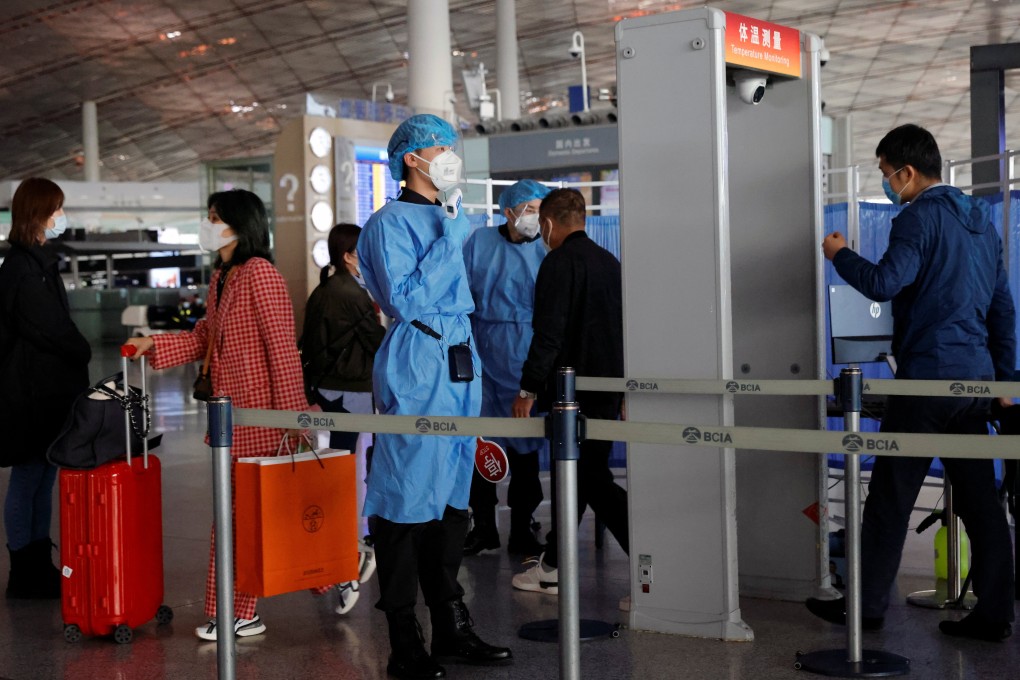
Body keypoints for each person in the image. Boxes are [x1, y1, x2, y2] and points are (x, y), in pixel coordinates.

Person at [808, 123, 1016, 641]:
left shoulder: (917, 218)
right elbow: (1002, 309)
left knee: (890, 497)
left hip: (926, 380)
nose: (885, 184)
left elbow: (884, 283)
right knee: (980, 502)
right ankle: (994, 613)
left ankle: (866, 608)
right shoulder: (980, 222)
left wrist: (839, 255)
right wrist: (1006, 382)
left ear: (906, 171)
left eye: (884, 173)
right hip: (974, 384)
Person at [357, 113, 512, 680]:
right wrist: (449, 237)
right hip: (419, 359)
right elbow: (406, 300)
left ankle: (451, 624)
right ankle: (404, 638)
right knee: (404, 496)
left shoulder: (454, 215)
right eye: (440, 148)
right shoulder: (388, 223)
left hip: (460, 357)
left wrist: (453, 227)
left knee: (452, 493)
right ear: (412, 159)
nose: (450, 157)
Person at [126, 189, 310, 641]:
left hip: (260, 418)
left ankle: (239, 610)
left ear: (238, 224)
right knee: (246, 519)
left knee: (248, 519)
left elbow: (282, 349)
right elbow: (207, 337)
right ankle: (250, 605)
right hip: (230, 418)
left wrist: (294, 421)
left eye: (214, 217)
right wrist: (157, 345)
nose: (207, 224)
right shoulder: (223, 277)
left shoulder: (261, 274)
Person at [510, 187, 628, 594]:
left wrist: (527, 389)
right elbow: (622, 332)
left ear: (547, 223)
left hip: (571, 393)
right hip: (609, 387)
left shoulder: (558, 264)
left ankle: (649, 554)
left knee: (589, 475)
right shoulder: (609, 262)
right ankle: (557, 562)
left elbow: (549, 334)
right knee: (575, 474)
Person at [0, 178, 90, 599]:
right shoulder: (22, 267)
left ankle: (37, 563)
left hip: (46, 394)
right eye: (55, 209)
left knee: (42, 476)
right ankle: (24, 569)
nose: (60, 217)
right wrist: (82, 348)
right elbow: (49, 329)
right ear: (38, 213)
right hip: (29, 396)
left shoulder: (37, 263)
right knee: (29, 476)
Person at [460, 179, 549, 557]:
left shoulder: (545, 248)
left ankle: (522, 528)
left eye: (540, 209)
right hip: (483, 351)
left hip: (527, 352)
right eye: (529, 208)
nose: (535, 217)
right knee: (483, 443)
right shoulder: (479, 243)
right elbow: (461, 294)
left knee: (525, 449)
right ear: (508, 210)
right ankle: (483, 526)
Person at [301, 222, 385, 614]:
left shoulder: (324, 290)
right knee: (352, 472)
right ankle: (351, 554)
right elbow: (377, 343)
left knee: (342, 465)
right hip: (352, 391)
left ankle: (349, 551)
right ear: (349, 255)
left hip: (328, 391)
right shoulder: (351, 293)